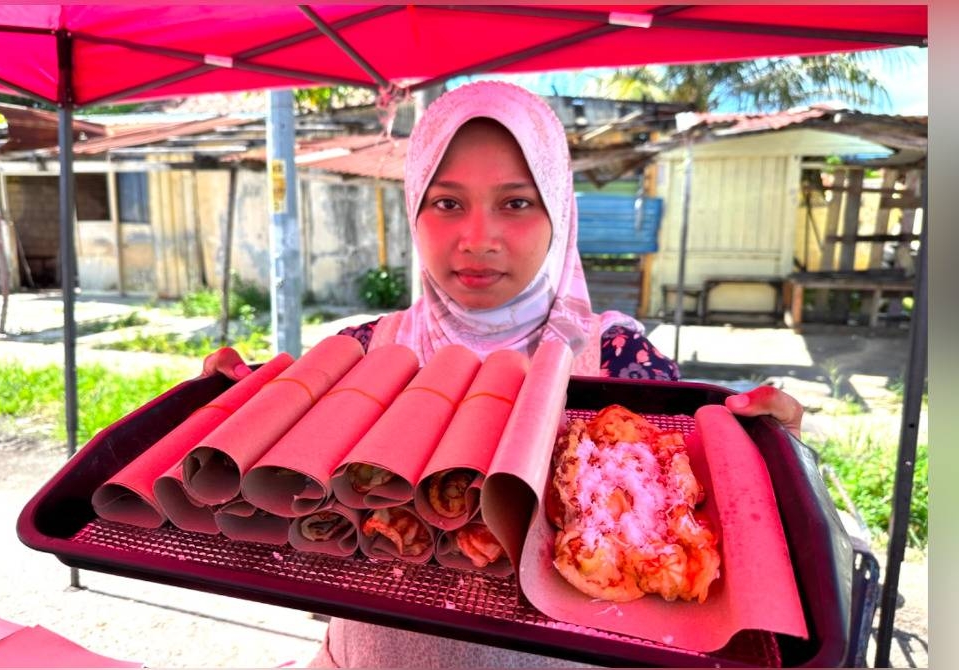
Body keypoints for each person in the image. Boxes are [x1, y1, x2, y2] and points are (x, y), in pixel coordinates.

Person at [203, 80, 804, 667]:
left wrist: (779, 456)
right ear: (415, 208)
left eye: (515, 203)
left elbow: (698, 513)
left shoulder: (614, 362)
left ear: (558, 212)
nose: (478, 238)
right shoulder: (366, 355)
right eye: (447, 203)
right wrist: (237, 410)